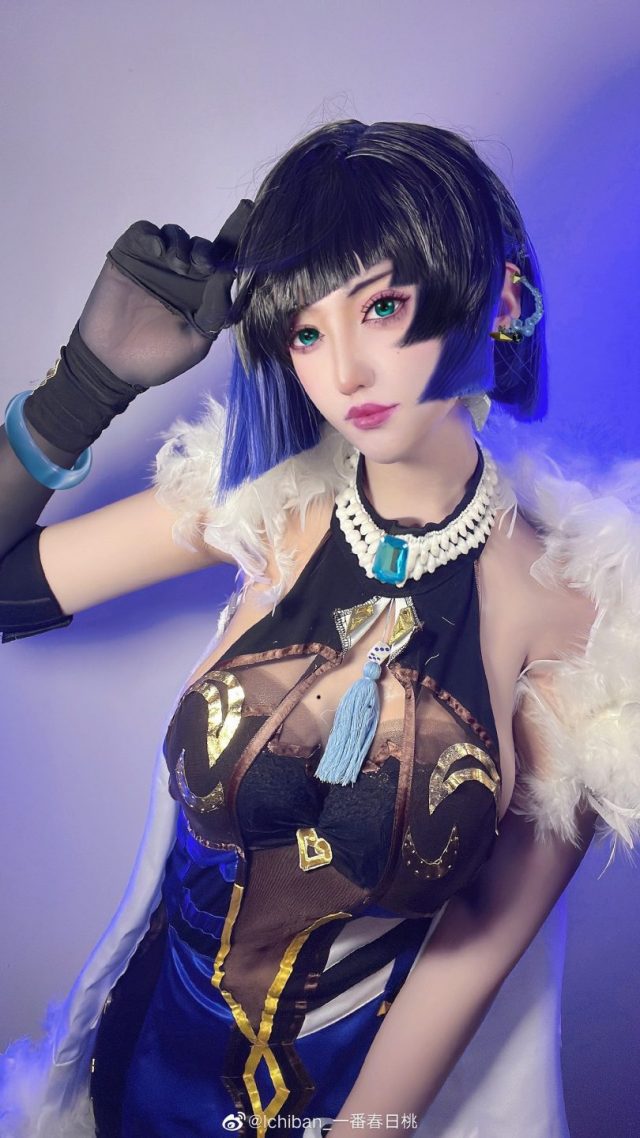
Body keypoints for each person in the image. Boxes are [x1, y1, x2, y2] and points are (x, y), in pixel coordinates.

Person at [0, 119, 638, 1138]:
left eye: (382, 307)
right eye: (305, 330)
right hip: (133, 1079)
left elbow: (478, 938)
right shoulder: (264, 507)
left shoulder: (580, 623)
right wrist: (88, 383)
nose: (344, 372)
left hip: (343, 1107)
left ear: (505, 302)